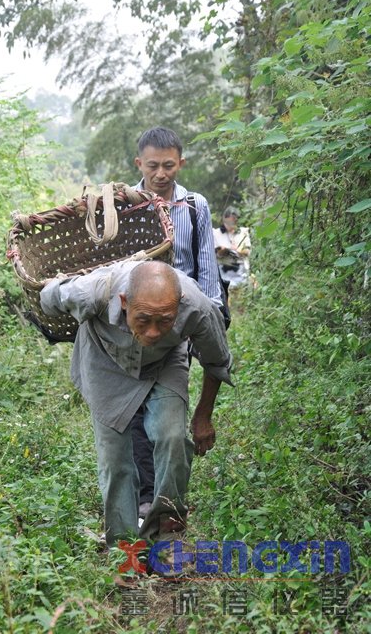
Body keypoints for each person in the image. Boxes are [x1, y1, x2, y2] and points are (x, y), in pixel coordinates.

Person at [40, 260, 232, 546]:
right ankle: (124, 548)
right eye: (143, 320)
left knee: (172, 438)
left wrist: (203, 415)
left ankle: (169, 535)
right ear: (125, 302)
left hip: (164, 363)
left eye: (165, 321)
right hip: (105, 362)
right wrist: (51, 289)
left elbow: (216, 362)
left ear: (178, 307)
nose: (153, 332)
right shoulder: (92, 292)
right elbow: (48, 297)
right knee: (115, 459)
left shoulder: (198, 307)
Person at [132, 126, 224, 519]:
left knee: (171, 403)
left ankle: (168, 498)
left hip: (181, 318)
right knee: (134, 408)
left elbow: (206, 262)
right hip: (136, 318)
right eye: (153, 165)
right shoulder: (126, 203)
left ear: (180, 163)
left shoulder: (194, 206)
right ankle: (148, 495)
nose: (161, 174)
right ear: (139, 164)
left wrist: (212, 313)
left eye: (169, 165)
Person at [213, 206, 251, 300]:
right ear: (225, 219)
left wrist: (236, 251)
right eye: (231, 219)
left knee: (241, 298)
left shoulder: (243, 232)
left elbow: (247, 251)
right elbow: (214, 253)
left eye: (235, 219)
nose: (233, 221)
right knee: (225, 297)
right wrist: (222, 251)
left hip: (240, 269)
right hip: (223, 269)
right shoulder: (215, 233)